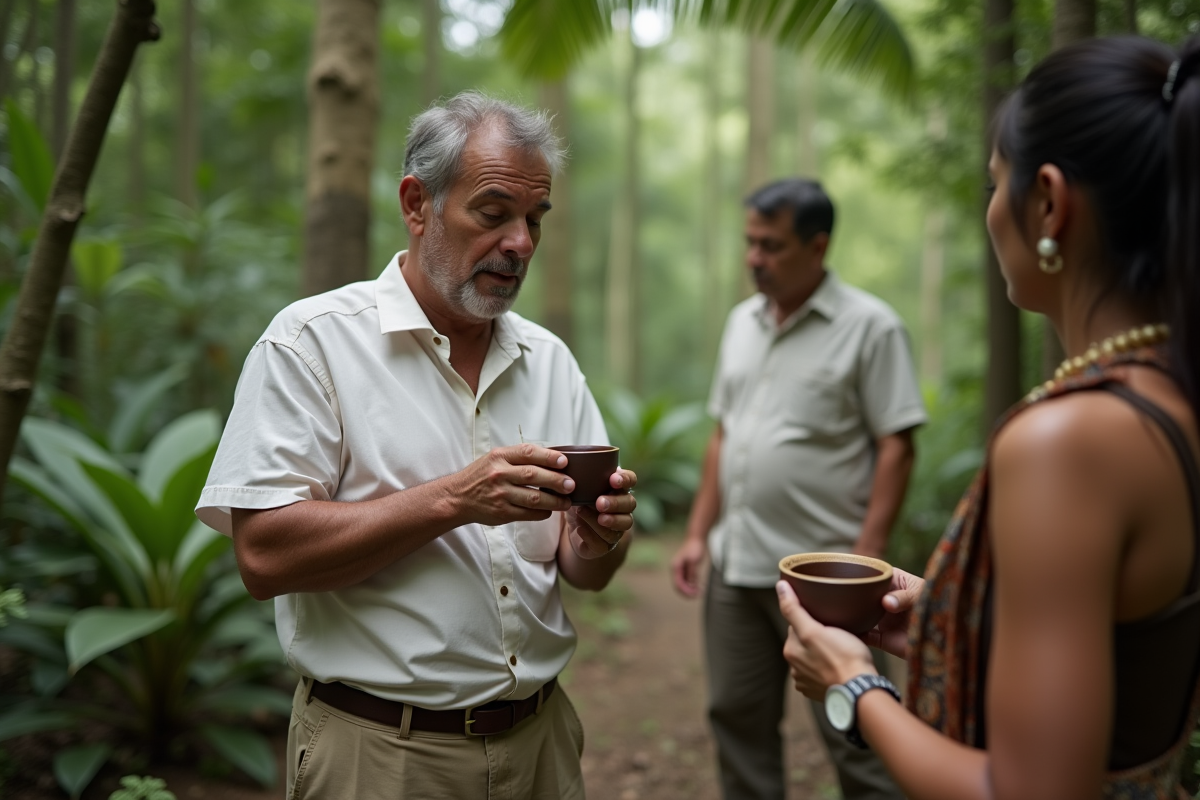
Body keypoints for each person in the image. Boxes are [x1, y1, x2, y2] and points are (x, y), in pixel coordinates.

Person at [777, 35, 1200, 799]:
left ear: (1047, 202)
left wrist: (853, 684)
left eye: (993, 185)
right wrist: (947, 619)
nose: (990, 211)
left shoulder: (1070, 440)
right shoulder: (1173, 400)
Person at [196, 91, 638, 799]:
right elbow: (263, 556)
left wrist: (598, 537)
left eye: (534, 219)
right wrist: (456, 499)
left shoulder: (550, 360)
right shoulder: (312, 344)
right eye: (493, 214)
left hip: (542, 745)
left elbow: (581, 572)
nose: (520, 241)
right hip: (379, 757)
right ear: (417, 203)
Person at [671, 178, 927, 800]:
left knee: (860, 731)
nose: (754, 257)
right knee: (736, 718)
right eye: (750, 242)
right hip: (736, 566)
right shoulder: (741, 323)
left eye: (772, 245)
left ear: (818, 247)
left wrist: (866, 561)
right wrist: (698, 533)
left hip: (828, 580)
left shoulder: (871, 328)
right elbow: (723, 434)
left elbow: (897, 443)